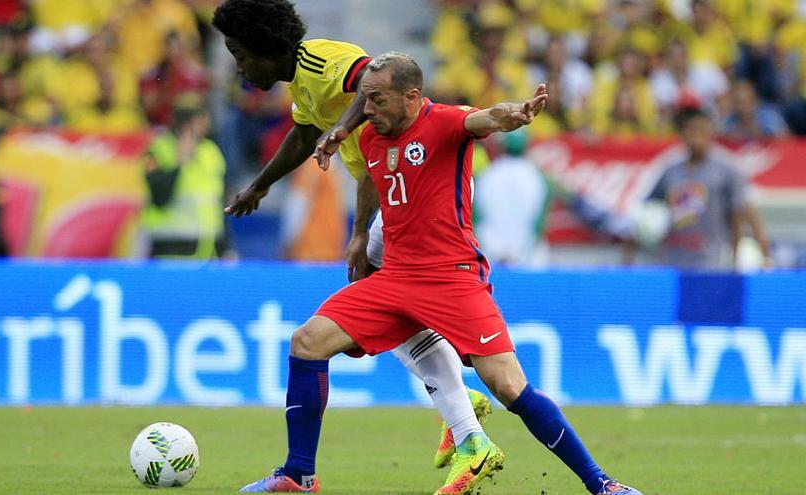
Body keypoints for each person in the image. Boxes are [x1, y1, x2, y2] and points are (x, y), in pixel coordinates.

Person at [240, 52, 643, 495]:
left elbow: (486, 119)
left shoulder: (445, 122)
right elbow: (371, 180)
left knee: (508, 385)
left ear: (412, 97)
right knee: (307, 342)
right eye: (365, 100)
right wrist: (358, 234)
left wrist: (514, 113)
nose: (367, 110)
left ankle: (603, 484)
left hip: (452, 277)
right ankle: (299, 475)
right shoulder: (373, 137)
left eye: (377, 99)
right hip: (394, 279)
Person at [211, 2, 498, 493]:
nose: (239, 67)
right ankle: (457, 402)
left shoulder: (322, 61)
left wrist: (360, 227)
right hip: (389, 198)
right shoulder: (304, 86)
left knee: (373, 305)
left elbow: (370, 78)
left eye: (241, 54)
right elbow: (304, 135)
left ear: (266, 46)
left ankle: (463, 421)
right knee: (390, 307)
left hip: (406, 199)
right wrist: (261, 184)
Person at [638, 107, 773, 269]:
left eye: (701, 131)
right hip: (673, 260)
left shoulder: (728, 168)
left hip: (712, 260)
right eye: (691, 131)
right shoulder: (670, 169)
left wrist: (749, 256)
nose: (696, 137)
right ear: (682, 134)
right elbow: (649, 209)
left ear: (711, 133)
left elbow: (743, 212)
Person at [141, 102, 229, 259]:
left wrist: (226, 248)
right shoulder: (159, 149)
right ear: (187, 124)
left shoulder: (211, 151)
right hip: (170, 246)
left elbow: (217, 202)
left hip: (207, 248)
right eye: (201, 121)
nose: (206, 126)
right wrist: (179, 163)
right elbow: (159, 197)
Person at [474, 128, 551, 267]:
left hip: (490, 255)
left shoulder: (486, 175)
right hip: (528, 256)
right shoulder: (537, 177)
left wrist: (493, 250)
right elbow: (539, 222)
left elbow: (476, 218)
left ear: (500, 146)